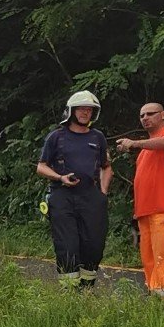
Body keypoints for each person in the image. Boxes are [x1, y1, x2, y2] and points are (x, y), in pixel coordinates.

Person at [37, 90, 112, 288]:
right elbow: (41, 166)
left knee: (93, 244)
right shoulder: (56, 137)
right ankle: (69, 291)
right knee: (68, 244)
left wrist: (103, 193)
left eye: (89, 110)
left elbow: (106, 166)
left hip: (91, 196)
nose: (85, 113)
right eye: (81, 109)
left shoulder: (98, 138)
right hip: (62, 195)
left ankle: (87, 289)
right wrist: (60, 177)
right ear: (71, 111)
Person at [121, 102, 164, 297]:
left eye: (150, 114)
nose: (145, 118)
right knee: (149, 258)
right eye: (142, 115)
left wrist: (135, 143)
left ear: (163, 115)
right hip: (145, 212)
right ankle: (155, 296)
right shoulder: (144, 153)